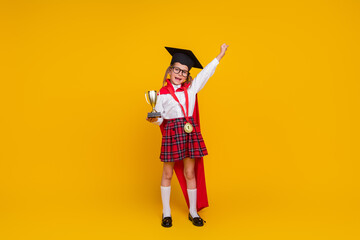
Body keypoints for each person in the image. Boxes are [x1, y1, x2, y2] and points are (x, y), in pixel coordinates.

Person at [146, 44, 229, 227]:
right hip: (171, 133)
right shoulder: (161, 95)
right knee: (167, 173)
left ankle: (193, 212)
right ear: (170, 70)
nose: (180, 74)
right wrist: (154, 120)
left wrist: (219, 56)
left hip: (188, 132)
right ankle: (166, 213)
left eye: (184, 72)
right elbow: (160, 119)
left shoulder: (191, 90)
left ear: (187, 75)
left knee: (190, 173)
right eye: (177, 69)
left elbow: (205, 73)